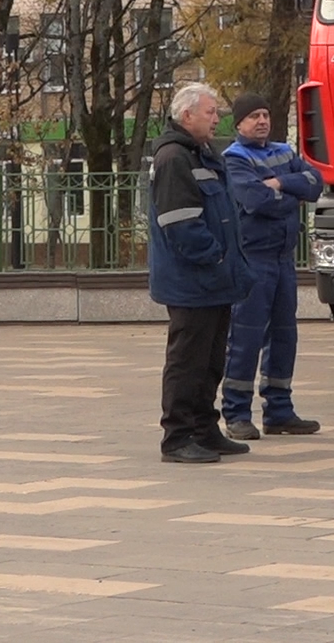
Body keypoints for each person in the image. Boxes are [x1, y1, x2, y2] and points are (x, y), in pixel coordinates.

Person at [148, 82, 254, 464]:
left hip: (213, 280)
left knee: (210, 360)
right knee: (187, 360)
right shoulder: (175, 158)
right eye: (210, 112)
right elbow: (181, 225)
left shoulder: (202, 154)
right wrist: (216, 258)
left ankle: (205, 429)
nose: (217, 118)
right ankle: (177, 438)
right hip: (192, 280)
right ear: (187, 115)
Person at [221, 91, 326, 440]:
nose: (262, 121)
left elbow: (315, 184)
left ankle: (279, 411)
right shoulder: (233, 159)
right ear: (239, 124)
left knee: (285, 336)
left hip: (283, 259)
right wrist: (291, 195)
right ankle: (236, 412)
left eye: (265, 114)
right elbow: (255, 200)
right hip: (253, 259)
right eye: (254, 116)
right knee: (246, 338)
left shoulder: (285, 151)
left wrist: (281, 184)